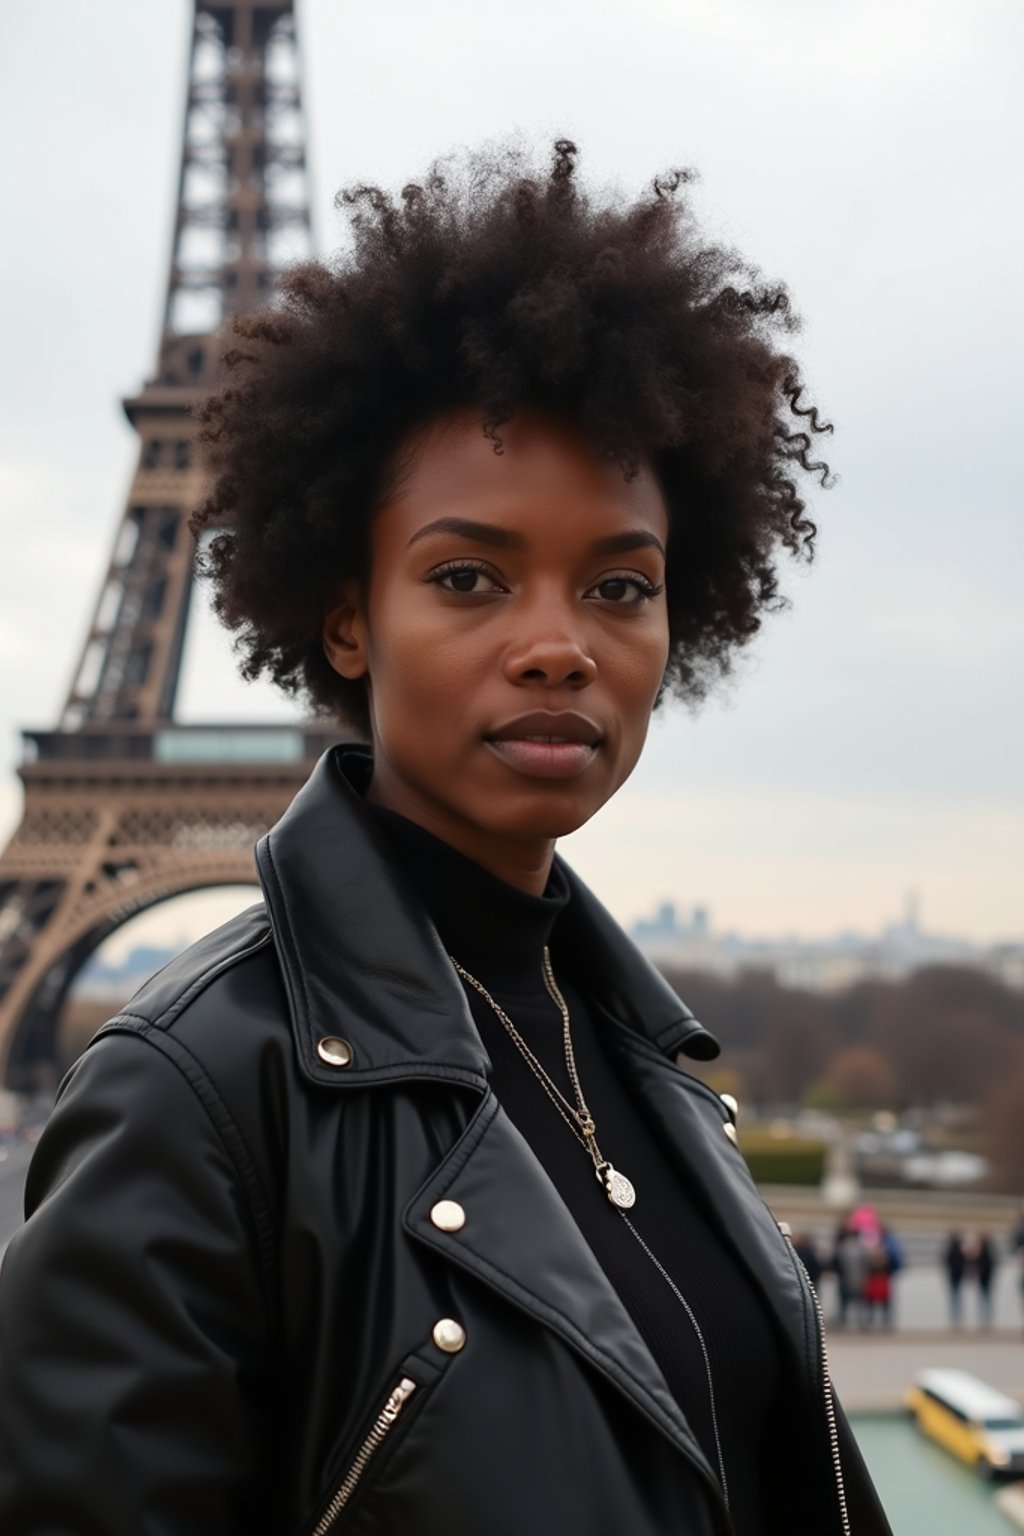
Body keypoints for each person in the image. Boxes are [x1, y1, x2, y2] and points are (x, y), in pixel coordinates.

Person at [0, 141, 891, 1535]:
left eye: (619, 584)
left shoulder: (649, 1067)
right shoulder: (193, 1098)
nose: (557, 647)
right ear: (346, 616)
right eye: (468, 577)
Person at [967, 1232, 998, 1329]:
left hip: (986, 1278)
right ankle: (984, 1319)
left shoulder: (987, 1251)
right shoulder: (981, 1252)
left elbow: (989, 1266)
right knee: (984, 1300)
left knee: (986, 1300)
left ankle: (987, 1319)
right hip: (983, 1278)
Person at [943, 1231, 968, 1328]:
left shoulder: (958, 1248)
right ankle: (955, 1319)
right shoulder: (955, 1248)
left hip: (956, 1275)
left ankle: (957, 1319)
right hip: (955, 1275)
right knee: (955, 1298)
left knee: (956, 1298)